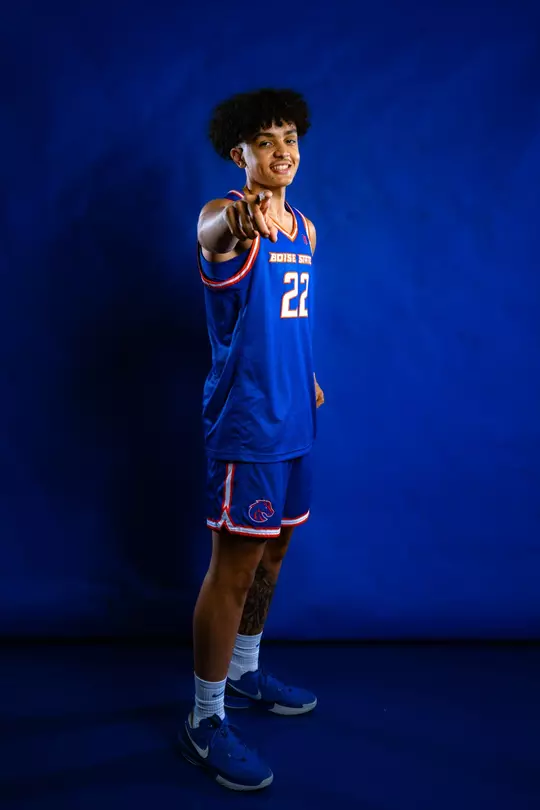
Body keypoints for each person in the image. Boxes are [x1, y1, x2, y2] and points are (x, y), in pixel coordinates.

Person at [178, 87, 325, 792]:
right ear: (238, 154)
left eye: (290, 138)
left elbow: (285, 315)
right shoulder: (227, 217)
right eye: (265, 141)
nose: (282, 151)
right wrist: (237, 218)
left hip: (297, 418)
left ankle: (244, 672)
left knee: (273, 558)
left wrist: (308, 373)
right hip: (247, 428)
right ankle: (204, 720)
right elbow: (215, 233)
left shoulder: (305, 227)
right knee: (232, 569)